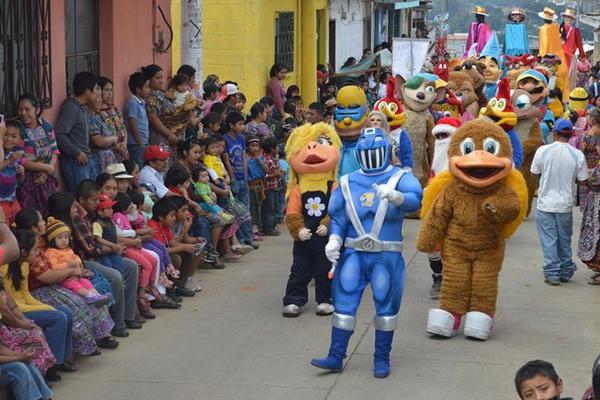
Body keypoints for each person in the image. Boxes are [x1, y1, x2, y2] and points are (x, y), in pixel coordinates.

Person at [311, 127, 422, 378]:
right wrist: (335, 239)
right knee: (344, 303)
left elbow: (416, 199)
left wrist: (396, 197)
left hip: (386, 254)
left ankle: (381, 357)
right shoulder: (348, 181)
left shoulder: (399, 178)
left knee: (386, 305)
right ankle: (336, 355)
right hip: (353, 252)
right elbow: (339, 217)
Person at [13, 208, 119, 351]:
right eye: (41, 221)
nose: (44, 222)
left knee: (94, 290)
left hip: (61, 279)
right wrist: (72, 271)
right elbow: (47, 277)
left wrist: (77, 271)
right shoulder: (28, 248)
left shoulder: (41, 240)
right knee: (76, 302)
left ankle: (100, 335)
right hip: (42, 289)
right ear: (33, 228)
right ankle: (82, 345)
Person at [59, 187, 141, 334]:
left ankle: (129, 315)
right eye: (94, 200)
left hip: (102, 254)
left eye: (99, 200)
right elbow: (91, 247)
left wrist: (115, 247)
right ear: (81, 200)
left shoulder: (94, 216)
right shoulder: (75, 220)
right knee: (115, 276)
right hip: (87, 259)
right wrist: (114, 248)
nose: (98, 203)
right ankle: (118, 325)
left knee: (132, 266)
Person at [4, 229, 74, 379]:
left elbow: (26, 296)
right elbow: (13, 303)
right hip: (16, 312)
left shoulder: (24, 265)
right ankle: (51, 366)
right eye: (35, 249)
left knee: (65, 311)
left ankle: (63, 359)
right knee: (58, 317)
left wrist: (47, 308)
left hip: (25, 306)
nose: (37, 253)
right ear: (22, 251)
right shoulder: (4, 268)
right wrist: (49, 310)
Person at [531, 119, 589, 285]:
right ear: (571, 134)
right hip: (565, 205)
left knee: (549, 239)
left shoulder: (543, 151)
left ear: (554, 133)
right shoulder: (577, 155)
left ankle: (552, 273)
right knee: (564, 239)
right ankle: (565, 270)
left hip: (545, 204)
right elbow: (583, 180)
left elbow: (534, 173)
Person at [44, 217, 111, 305]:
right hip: (63, 278)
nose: (64, 240)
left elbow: (76, 259)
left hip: (76, 275)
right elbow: (53, 267)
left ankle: (97, 296)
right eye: (59, 238)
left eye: (66, 237)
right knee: (74, 285)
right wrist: (67, 265)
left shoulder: (68, 250)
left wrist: (78, 264)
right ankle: (90, 296)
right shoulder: (51, 252)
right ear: (52, 239)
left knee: (85, 282)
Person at [16, 94, 60, 217]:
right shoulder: (18, 130)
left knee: (51, 213)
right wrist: (46, 168)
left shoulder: (46, 127)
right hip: (28, 181)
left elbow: (54, 152)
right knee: (32, 216)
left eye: (27, 109)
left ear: (37, 110)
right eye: (20, 109)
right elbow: (21, 160)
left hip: (46, 179)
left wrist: (47, 173)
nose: (23, 113)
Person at [55, 71, 99, 193]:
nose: (97, 93)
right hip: (74, 162)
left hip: (85, 160)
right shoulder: (71, 107)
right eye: (95, 89)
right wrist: (77, 152)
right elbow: (59, 134)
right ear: (87, 91)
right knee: (82, 197)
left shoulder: (83, 107)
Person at [222, 112, 254, 246]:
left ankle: (248, 238)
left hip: (243, 177)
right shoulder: (225, 139)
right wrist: (233, 177)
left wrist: (245, 173)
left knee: (246, 209)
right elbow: (226, 160)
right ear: (231, 125)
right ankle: (240, 239)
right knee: (236, 211)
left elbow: (244, 156)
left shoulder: (241, 138)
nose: (242, 126)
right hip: (234, 179)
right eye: (240, 124)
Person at [88, 85, 118, 180]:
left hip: (107, 159)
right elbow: (99, 141)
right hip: (98, 160)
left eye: (100, 97)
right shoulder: (90, 118)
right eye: (97, 98)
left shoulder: (98, 116)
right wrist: (113, 139)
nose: (100, 101)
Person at [98, 76, 129, 162]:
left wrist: (124, 143)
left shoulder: (115, 109)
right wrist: (117, 146)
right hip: (110, 153)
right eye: (106, 90)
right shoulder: (97, 112)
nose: (110, 93)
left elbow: (123, 128)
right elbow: (101, 135)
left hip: (123, 150)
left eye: (111, 90)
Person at [0, 120, 25, 225]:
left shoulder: (17, 152)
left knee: (17, 225)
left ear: (19, 139)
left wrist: (21, 172)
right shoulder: (1, 152)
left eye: (14, 136)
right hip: (1, 202)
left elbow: (19, 181)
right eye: (6, 134)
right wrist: (9, 160)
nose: (9, 139)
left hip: (13, 200)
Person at [125, 72, 151, 166]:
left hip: (143, 142)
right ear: (138, 89)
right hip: (136, 144)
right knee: (138, 166)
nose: (149, 90)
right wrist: (140, 142)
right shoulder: (133, 103)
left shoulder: (141, 102)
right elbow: (133, 124)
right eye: (146, 87)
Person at [261, 137, 282, 236]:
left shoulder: (275, 158)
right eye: (276, 147)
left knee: (274, 207)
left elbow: (277, 169)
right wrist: (277, 174)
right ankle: (268, 228)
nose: (278, 148)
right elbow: (265, 175)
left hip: (275, 186)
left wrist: (280, 172)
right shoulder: (266, 159)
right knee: (269, 209)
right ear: (272, 149)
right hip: (268, 188)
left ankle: (272, 227)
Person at [246, 135, 266, 238]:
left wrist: (260, 161)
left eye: (257, 146)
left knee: (259, 207)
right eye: (252, 146)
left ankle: (258, 227)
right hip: (250, 185)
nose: (255, 148)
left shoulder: (260, 157)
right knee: (252, 207)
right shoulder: (246, 158)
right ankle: (254, 229)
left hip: (259, 185)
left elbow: (266, 170)